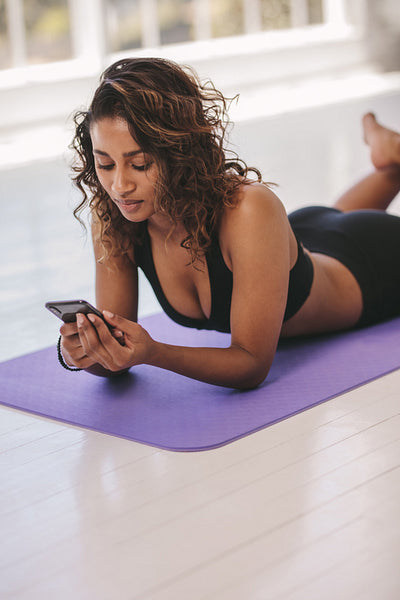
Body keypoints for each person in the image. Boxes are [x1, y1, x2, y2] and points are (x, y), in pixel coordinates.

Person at [59, 57, 400, 389]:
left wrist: (154, 352)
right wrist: (81, 352)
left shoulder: (250, 209)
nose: (120, 185)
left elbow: (251, 364)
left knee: (347, 226)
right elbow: (115, 355)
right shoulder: (113, 216)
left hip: (377, 263)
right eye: (105, 164)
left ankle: (390, 153)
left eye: (140, 163)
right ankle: (388, 154)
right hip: (310, 236)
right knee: (338, 219)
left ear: (179, 152)